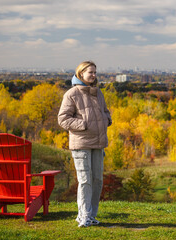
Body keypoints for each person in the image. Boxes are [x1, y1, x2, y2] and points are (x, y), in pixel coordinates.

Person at [58, 61, 112, 227]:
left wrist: (107, 120)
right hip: (81, 143)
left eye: (95, 72)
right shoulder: (72, 94)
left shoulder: (98, 93)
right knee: (85, 180)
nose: (94, 75)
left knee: (97, 180)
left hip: (98, 143)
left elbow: (105, 111)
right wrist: (84, 125)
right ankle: (84, 216)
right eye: (91, 72)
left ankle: (91, 215)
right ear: (81, 74)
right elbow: (63, 119)